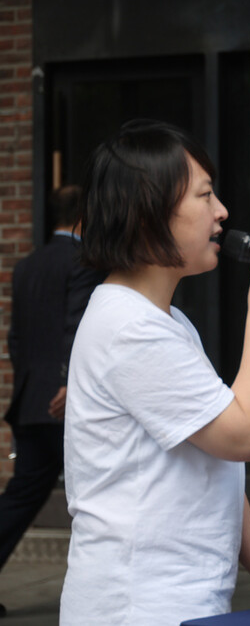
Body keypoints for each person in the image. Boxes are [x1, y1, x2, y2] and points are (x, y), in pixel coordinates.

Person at [59, 120, 250, 625]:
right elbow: (244, 436)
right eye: (205, 196)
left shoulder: (165, 320)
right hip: (138, 605)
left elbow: (214, 462)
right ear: (148, 213)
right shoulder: (130, 328)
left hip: (177, 599)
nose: (222, 213)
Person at [0, 186, 104, 618]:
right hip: (65, 402)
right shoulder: (83, 261)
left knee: (22, 494)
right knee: (99, 496)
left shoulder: (27, 265)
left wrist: (33, 385)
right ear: (84, 218)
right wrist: (67, 382)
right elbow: (76, 324)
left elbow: (16, 338)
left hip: (30, 400)